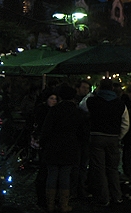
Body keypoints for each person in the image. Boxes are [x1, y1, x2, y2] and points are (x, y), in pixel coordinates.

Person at [41, 83, 86, 212]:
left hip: (53, 146)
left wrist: (43, 143)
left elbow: (46, 130)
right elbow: (83, 133)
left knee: (52, 174)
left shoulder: (54, 110)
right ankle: (64, 204)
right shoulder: (78, 112)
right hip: (70, 146)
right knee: (65, 175)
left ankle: (50, 204)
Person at [86, 78, 129, 208]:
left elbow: (82, 107)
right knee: (113, 168)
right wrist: (118, 136)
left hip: (97, 137)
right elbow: (126, 123)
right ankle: (117, 196)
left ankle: (103, 197)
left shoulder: (92, 101)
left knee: (99, 169)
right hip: (113, 137)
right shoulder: (120, 104)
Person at [32, 89, 58, 208]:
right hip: (44, 143)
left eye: (55, 99)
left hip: (48, 143)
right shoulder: (43, 111)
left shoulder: (52, 111)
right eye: (51, 98)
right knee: (44, 169)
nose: (54, 101)